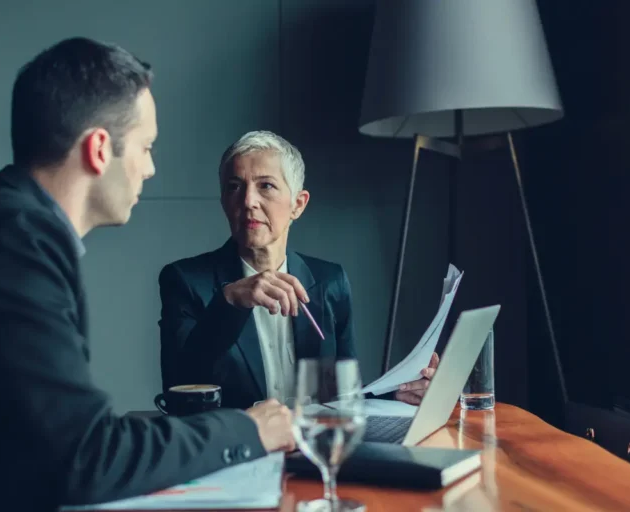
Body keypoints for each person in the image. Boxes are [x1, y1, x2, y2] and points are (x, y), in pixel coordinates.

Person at [0, 38, 295, 512]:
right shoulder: (13, 244)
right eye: (146, 147)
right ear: (99, 149)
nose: (149, 168)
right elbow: (84, 459)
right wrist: (249, 430)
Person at [158, 130, 438, 410]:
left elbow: (344, 397)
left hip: (316, 446)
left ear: (298, 205)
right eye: (234, 187)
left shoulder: (330, 282)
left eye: (265, 186)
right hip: (238, 450)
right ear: (223, 203)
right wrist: (229, 303)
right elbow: (178, 385)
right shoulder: (185, 281)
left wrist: (395, 395)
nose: (248, 201)